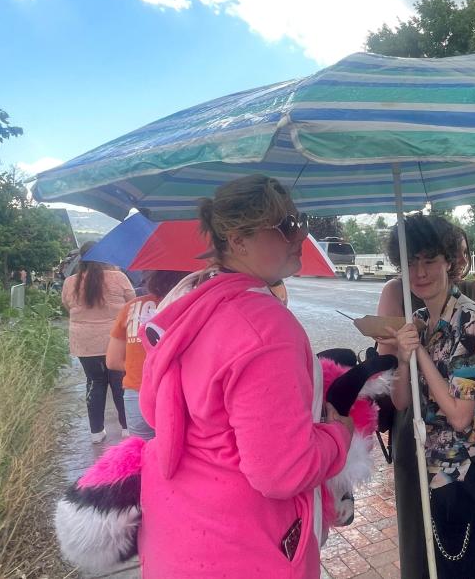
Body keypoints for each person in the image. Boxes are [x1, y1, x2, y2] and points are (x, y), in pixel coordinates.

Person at [136, 175, 353, 578]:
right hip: (246, 548)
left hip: (180, 535)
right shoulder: (264, 326)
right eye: (286, 225)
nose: (300, 234)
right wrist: (339, 436)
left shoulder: (188, 304)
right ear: (237, 240)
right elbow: (282, 471)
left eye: (299, 221)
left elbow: (161, 411)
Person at [377, 219, 475, 579]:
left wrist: (419, 352)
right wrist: (404, 356)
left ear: (449, 261)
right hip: (439, 472)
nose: (420, 272)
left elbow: (459, 416)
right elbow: (403, 402)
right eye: (411, 262)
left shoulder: (471, 322)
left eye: (430, 260)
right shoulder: (423, 320)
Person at [62, 242, 136, 443]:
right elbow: (132, 303)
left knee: (94, 382)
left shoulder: (70, 282)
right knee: (120, 381)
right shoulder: (118, 277)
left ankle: (96, 432)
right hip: (116, 339)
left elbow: (67, 305)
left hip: (84, 340)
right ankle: (127, 428)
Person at [105, 270, 189, 440]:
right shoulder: (192, 306)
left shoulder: (131, 307)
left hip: (137, 393)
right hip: (181, 393)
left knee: (142, 455)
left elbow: (112, 361)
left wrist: (144, 368)